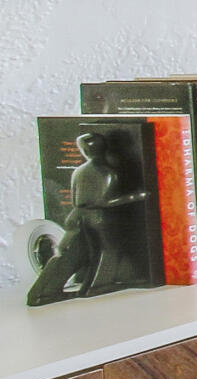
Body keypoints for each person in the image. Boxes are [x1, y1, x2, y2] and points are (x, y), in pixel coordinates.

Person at [25, 126, 153, 304]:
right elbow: (103, 202)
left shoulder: (79, 171)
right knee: (107, 250)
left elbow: (75, 200)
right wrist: (134, 197)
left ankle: (48, 291)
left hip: (77, 216)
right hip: (98, 217)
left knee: (72, 251)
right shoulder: (106, 173)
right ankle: (95, 285)